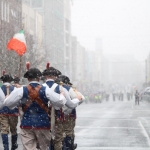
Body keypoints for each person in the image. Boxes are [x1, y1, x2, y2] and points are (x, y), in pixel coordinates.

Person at [3, 67, 67, 150]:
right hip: (43, 124)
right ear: (39, 78)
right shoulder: (46, 90)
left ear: (28, 79)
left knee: (29, 148)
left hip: (27, 124)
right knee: (44, 148)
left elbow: (7, 103)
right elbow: (60, 103)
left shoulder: (21, 90)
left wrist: (11, 99)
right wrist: (62, 95)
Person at [42, 65, 82, 150]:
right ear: (56, 77)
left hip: (43, 117)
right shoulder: (60, 88)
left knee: (44, 141)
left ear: (45, 76)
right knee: (58, 140)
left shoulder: (40, 87)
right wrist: (77, 100)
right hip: (57, 118)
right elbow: (70, 104)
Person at [0, 73, 19, 150]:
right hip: (13, 112)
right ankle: (13, 146)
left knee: (4, 129)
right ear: (11, 81)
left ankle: (6, 147)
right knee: (13, 130)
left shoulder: (0, 88)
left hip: (2, 112)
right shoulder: (14, 89)